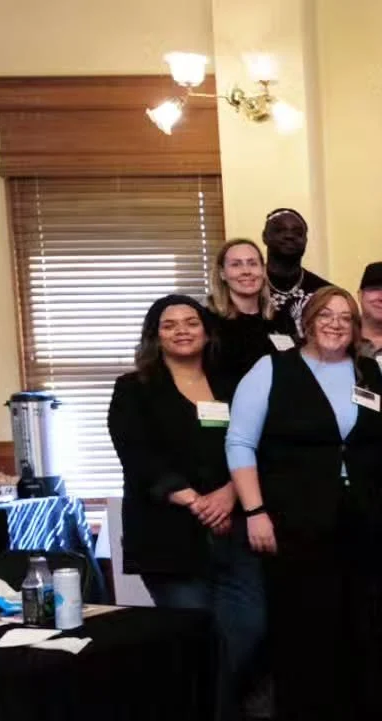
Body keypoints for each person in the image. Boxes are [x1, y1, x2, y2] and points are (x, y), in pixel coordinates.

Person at [226, 287, 382, 721]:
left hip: (362, 515)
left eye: (347, 316)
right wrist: (255, 510)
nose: (337, 324)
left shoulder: (369, 372)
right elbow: (240, 443)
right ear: (307, 319)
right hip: (294, 518)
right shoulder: (271, 369)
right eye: (327, 314)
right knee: (309, 621)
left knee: (364, 618)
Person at [108, 295, 263, 679]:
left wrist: (230, 494)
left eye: (191, 322)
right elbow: (137, 455)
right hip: (169, 535)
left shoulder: (234, 385)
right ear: (155, 337)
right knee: (193, 636)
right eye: (169, 324)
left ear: (207, 332)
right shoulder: (133, 388)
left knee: (249, 629)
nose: (182, 331)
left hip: (235, 531)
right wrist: (197, 502)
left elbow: (254, 444)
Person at [207, 238, 296, 382]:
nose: (246, 271)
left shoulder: (281, 320)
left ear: (263, 270)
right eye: (236, 264)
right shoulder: (207, 321)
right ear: (222, 273)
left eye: (253, 263)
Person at [262, 208, 332, 338]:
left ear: (305, 240)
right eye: (280, 230)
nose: (289, 236)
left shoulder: (324, 292)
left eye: (298, 232)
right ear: (264, 237)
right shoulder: (247, 288)